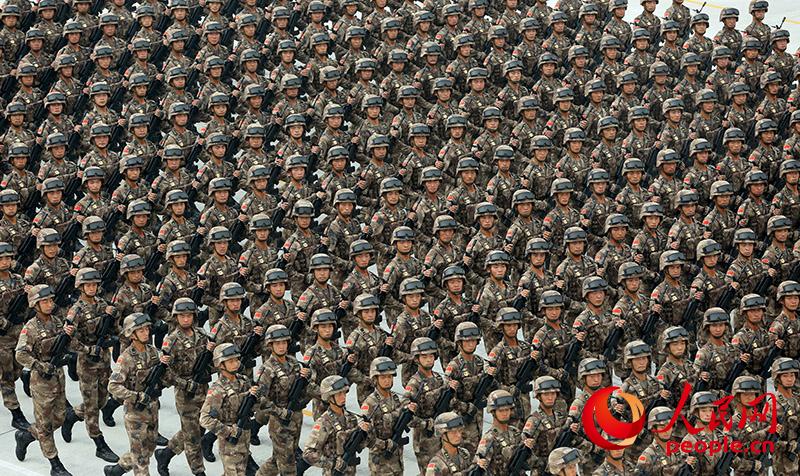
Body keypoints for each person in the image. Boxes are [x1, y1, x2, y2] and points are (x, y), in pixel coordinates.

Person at [14, 284, 75, 476]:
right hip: (41, 382)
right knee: (45, 426)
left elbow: (65, 345)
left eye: (50, 300)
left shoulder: (57, 321)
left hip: (58, 378)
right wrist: (39, 365)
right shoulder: (30, 328)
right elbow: (20, 354)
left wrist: (69, 337)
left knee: (60, 418)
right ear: (35, 305)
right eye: (45, 301)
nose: (50, 304)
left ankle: (26, 436)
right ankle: (55, 464)